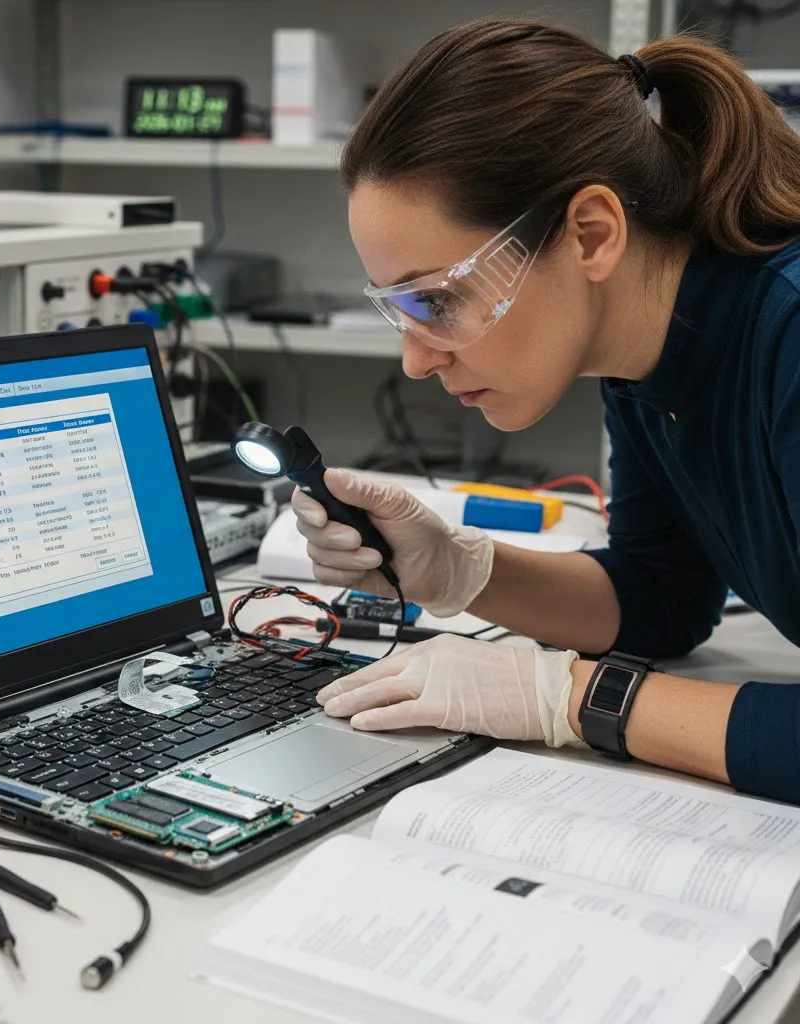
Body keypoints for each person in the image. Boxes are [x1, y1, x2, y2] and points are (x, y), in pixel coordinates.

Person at [293, 19, 800, 803]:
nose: (416, 359)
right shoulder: (649, 353)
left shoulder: (789, 336)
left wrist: (565, 697)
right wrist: (460, 571)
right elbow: (660, 598)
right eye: (399, 309)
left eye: (437, 298)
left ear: (591, 234)